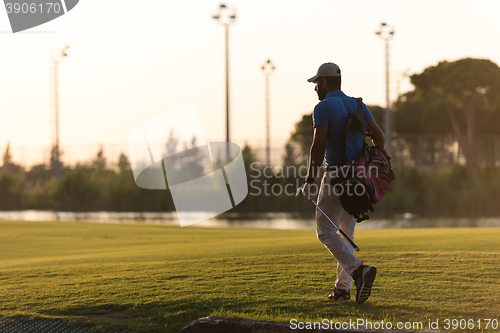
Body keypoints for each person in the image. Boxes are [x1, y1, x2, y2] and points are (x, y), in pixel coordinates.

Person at [301, 62, 386, 304]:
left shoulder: (323, 107)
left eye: (317, 83)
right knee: (345, 232)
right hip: (360, 178)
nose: (315, 88)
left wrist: (309, 178)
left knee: (325, 231)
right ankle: (342, 290)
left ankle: (358, 270)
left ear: (324, 83)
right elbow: (379, 139)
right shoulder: (358, 104)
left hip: (337, 176)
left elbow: (318, 146)